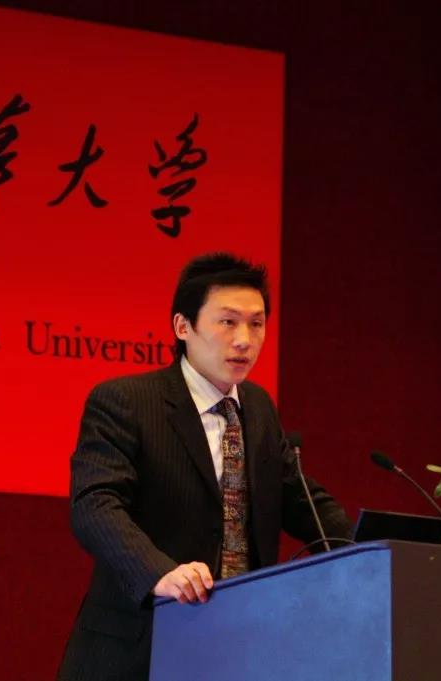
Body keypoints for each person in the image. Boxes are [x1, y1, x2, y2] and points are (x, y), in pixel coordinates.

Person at [57, 252, 351, 681]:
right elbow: (94, 506)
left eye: (256, 323)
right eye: (227, 321)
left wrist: (374, 552)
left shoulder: (258, 409)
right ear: (183, 326)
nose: (245, 340)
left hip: (237, 648)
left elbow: (302, 501)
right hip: (141, 646)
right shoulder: (127, 402)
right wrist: (161, 572)